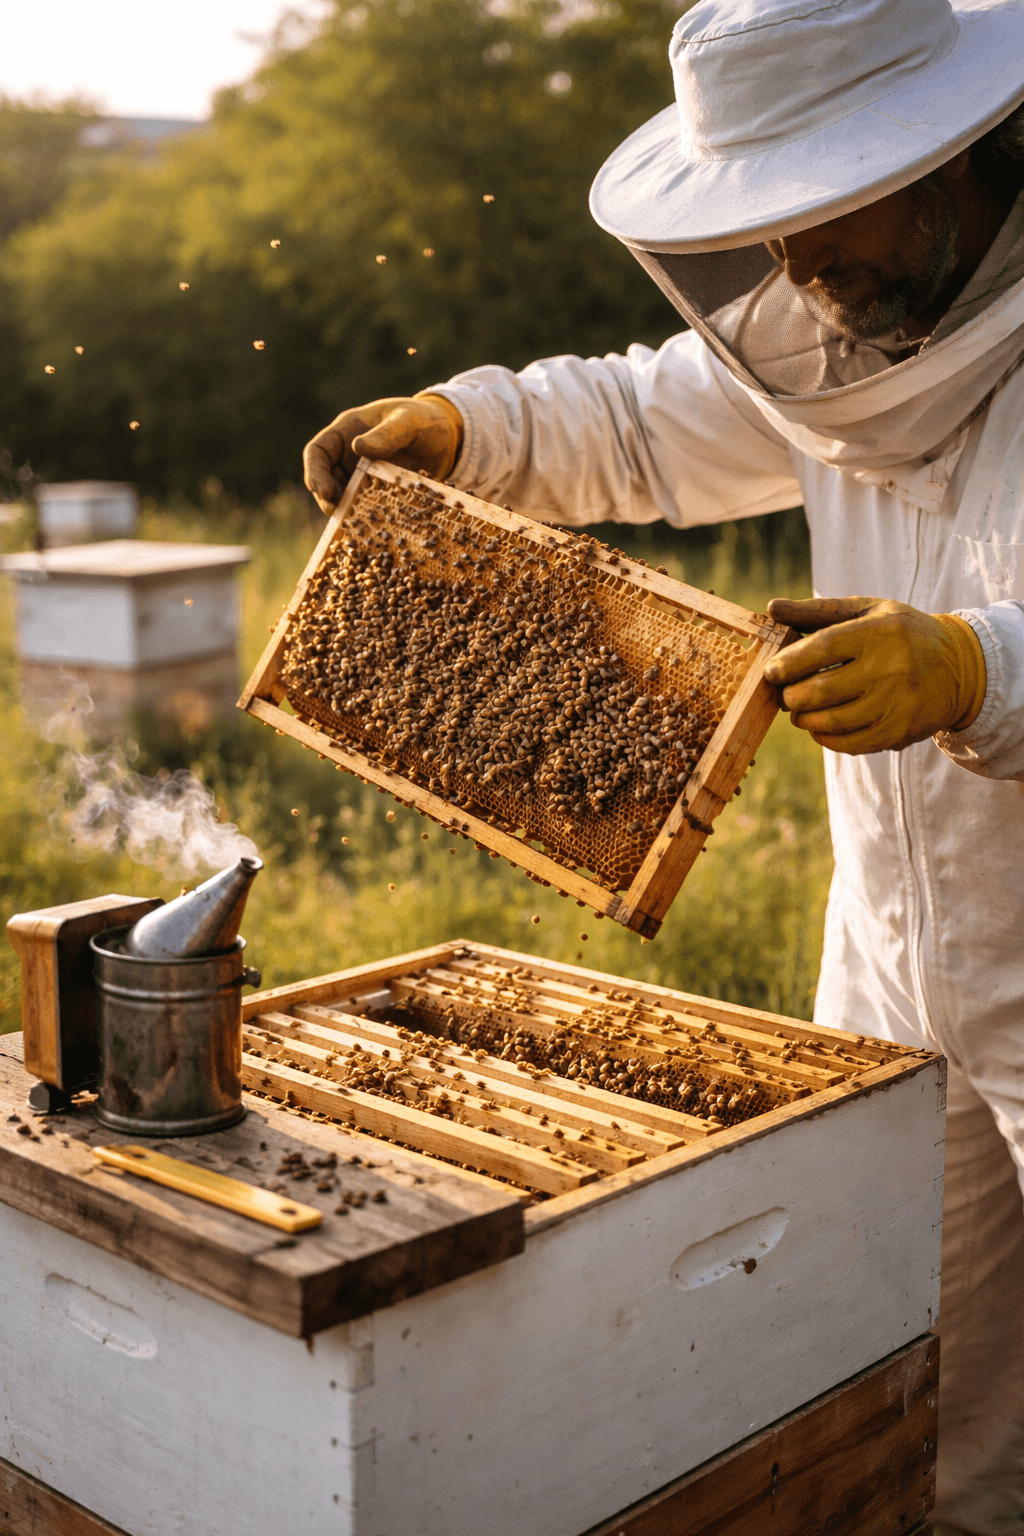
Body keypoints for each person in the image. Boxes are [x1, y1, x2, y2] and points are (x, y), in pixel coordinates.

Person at [304, 0, 1024, 1528]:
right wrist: (468, 427)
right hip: (895, 962)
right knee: (917, 1387)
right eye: (762, 229)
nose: (793, 271)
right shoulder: (842, 339)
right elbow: (641, 415)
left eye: (821, 212)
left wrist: (979, 664)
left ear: (940, 158)